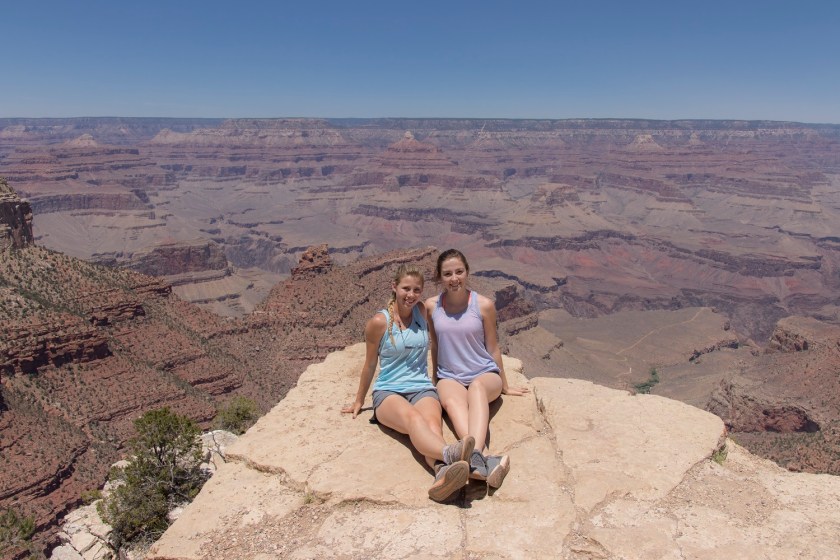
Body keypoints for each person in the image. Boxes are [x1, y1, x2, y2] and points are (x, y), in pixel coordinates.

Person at [342, 264, 475, 502]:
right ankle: (451, 454)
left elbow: (442, 331)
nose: (410, 295)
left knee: (433, 427)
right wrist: (359, 400)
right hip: (389, 391)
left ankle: (442, 477)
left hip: (421, 387)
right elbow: (370, 364)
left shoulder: (422, 312)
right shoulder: (379, 322)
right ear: (394, 287)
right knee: (414, 419)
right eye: (405, 288)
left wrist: (440, 378)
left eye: (416, 290)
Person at [426, 249, 530, 489]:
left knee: (477, 389)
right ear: (439, 277)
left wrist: (504, 385)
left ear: (467, 272)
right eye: (448, 273)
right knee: (452, 403)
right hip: (449, 376)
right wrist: (435, 381)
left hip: (484, 374)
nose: (454, 279)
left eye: (459, 272)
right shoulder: (431, 307)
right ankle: (481, 457)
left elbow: (493, 348)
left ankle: (475, 457)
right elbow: (435, 344)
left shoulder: (483, 305)